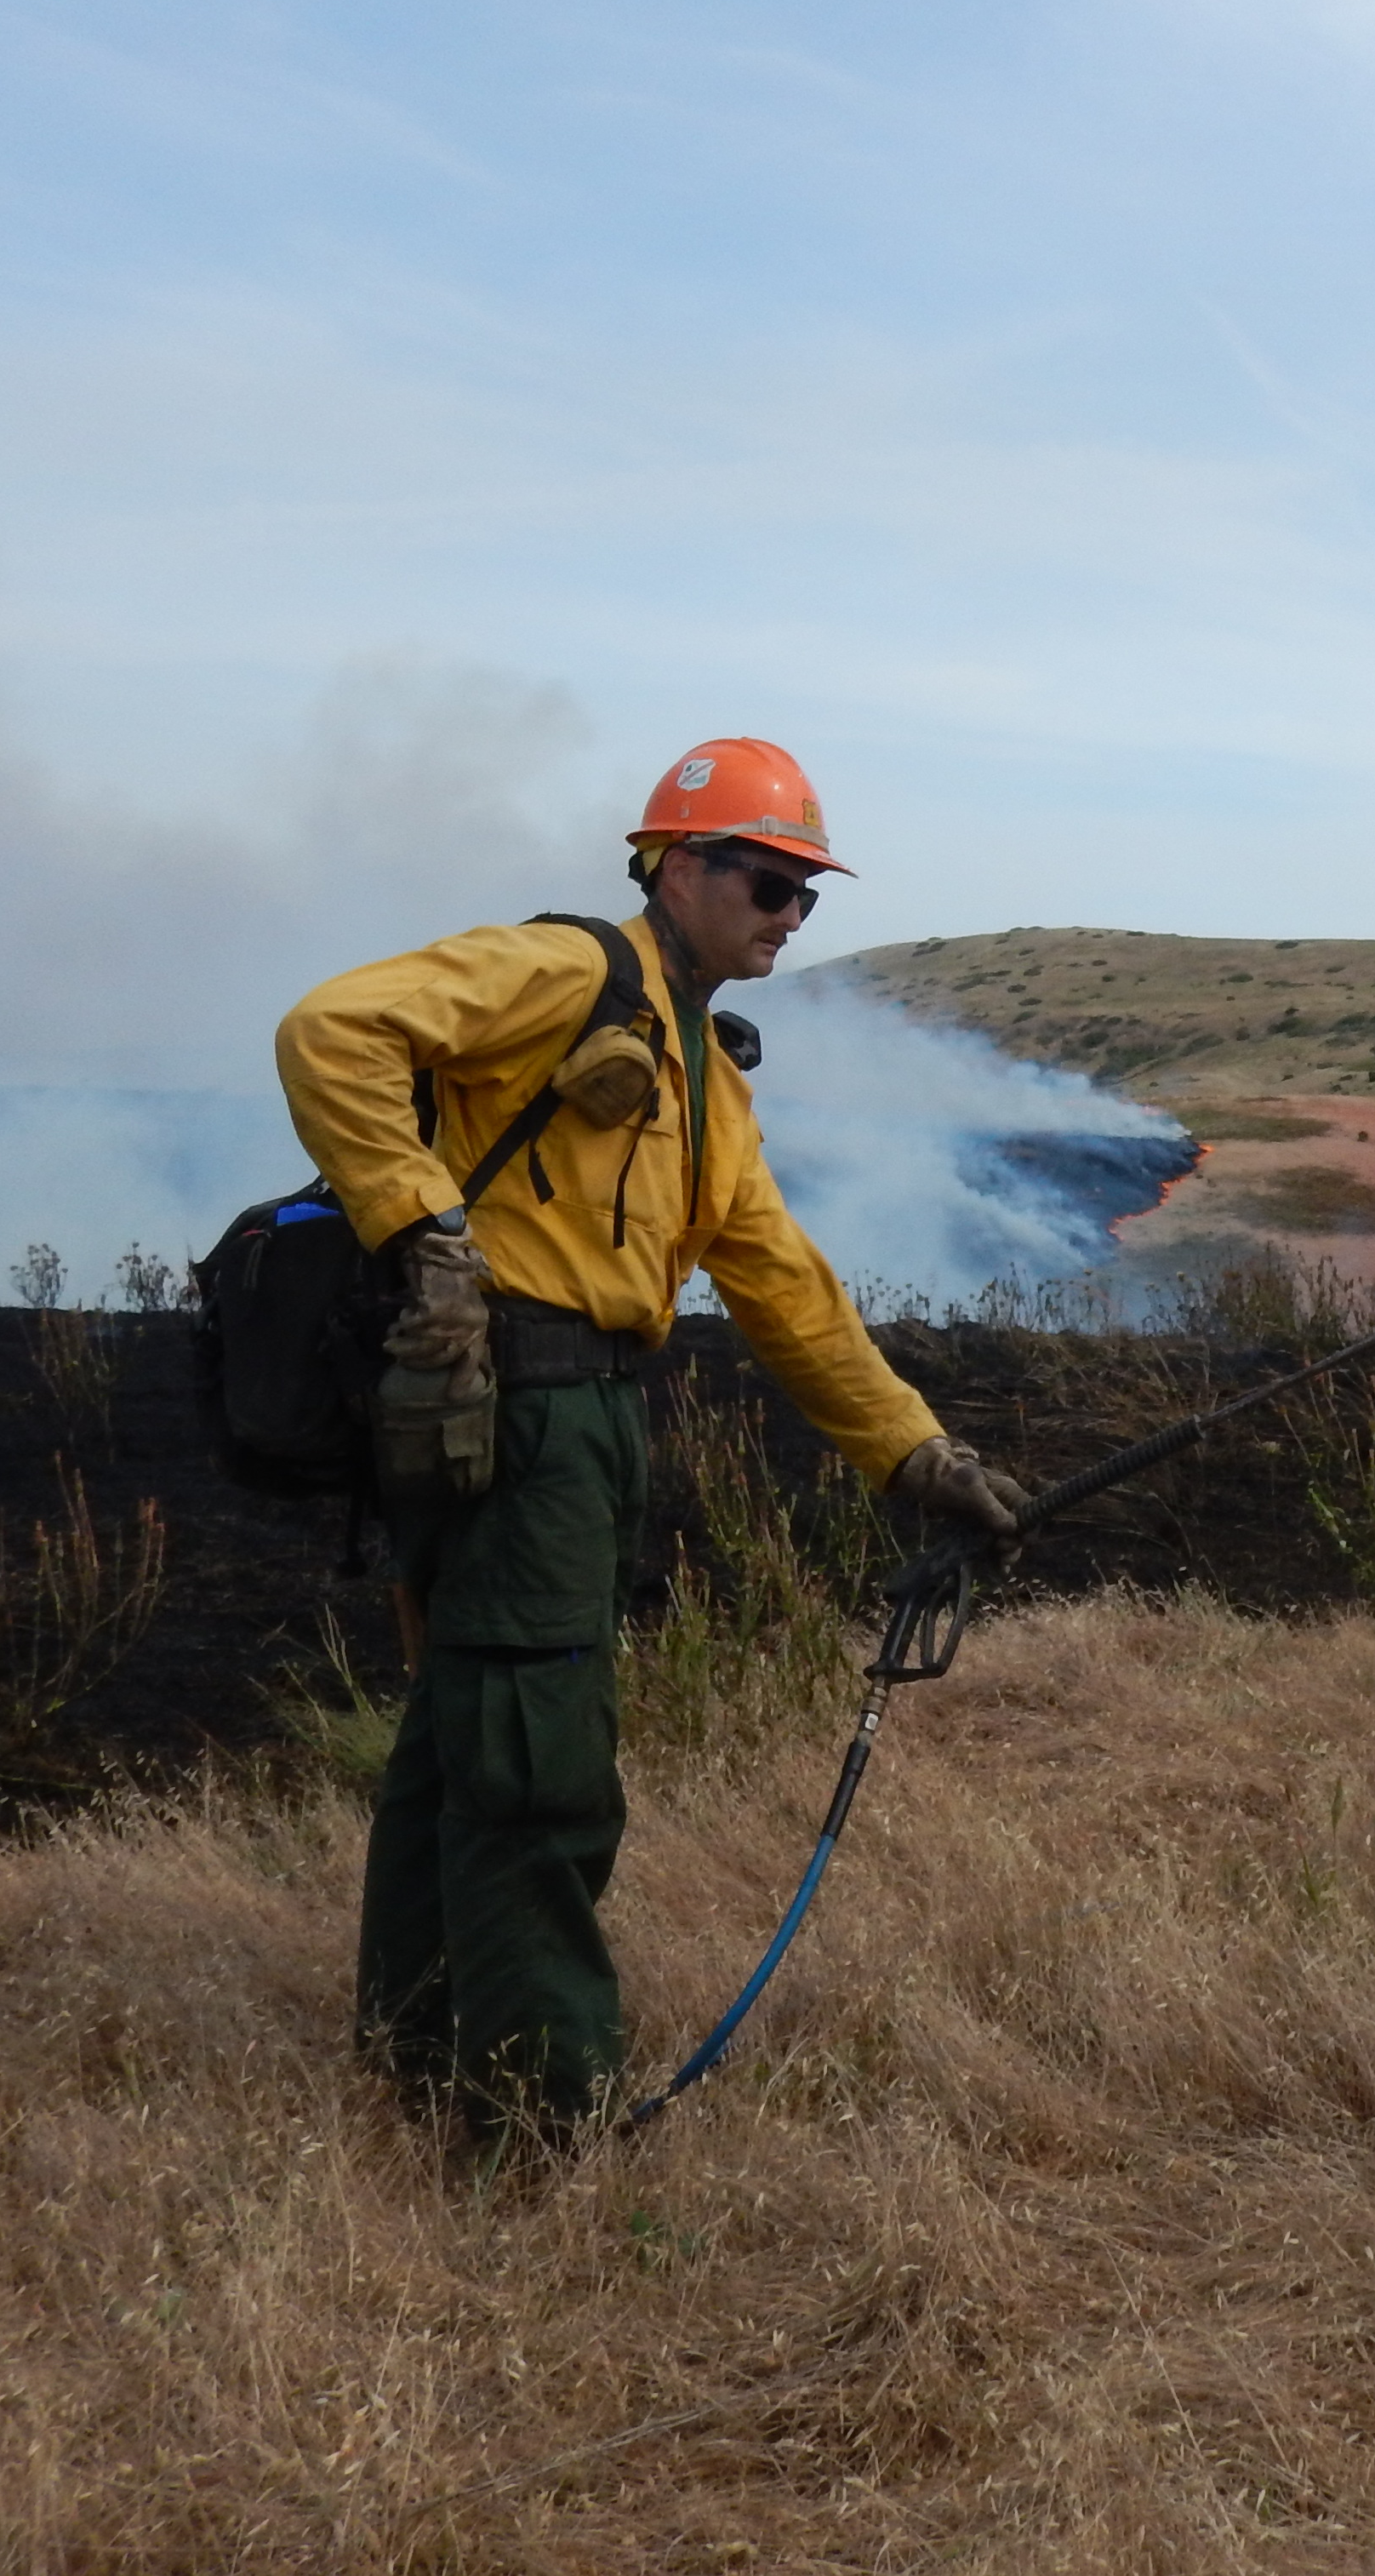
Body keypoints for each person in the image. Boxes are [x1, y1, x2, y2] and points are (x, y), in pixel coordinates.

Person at [275, 737, 1030, 2135]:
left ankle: (424, 2058)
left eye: (808, 893)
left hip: (572, 1417)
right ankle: (534, 2111)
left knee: (462, 1737)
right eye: (766, 879)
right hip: (516, 1416)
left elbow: (779, 1283)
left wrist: (912, 1455)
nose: (789, 914)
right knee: (536, 1767)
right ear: (678, 867)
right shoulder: (570, 974)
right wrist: (421, 1226)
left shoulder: (703, 1073)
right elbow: (331, 1030)